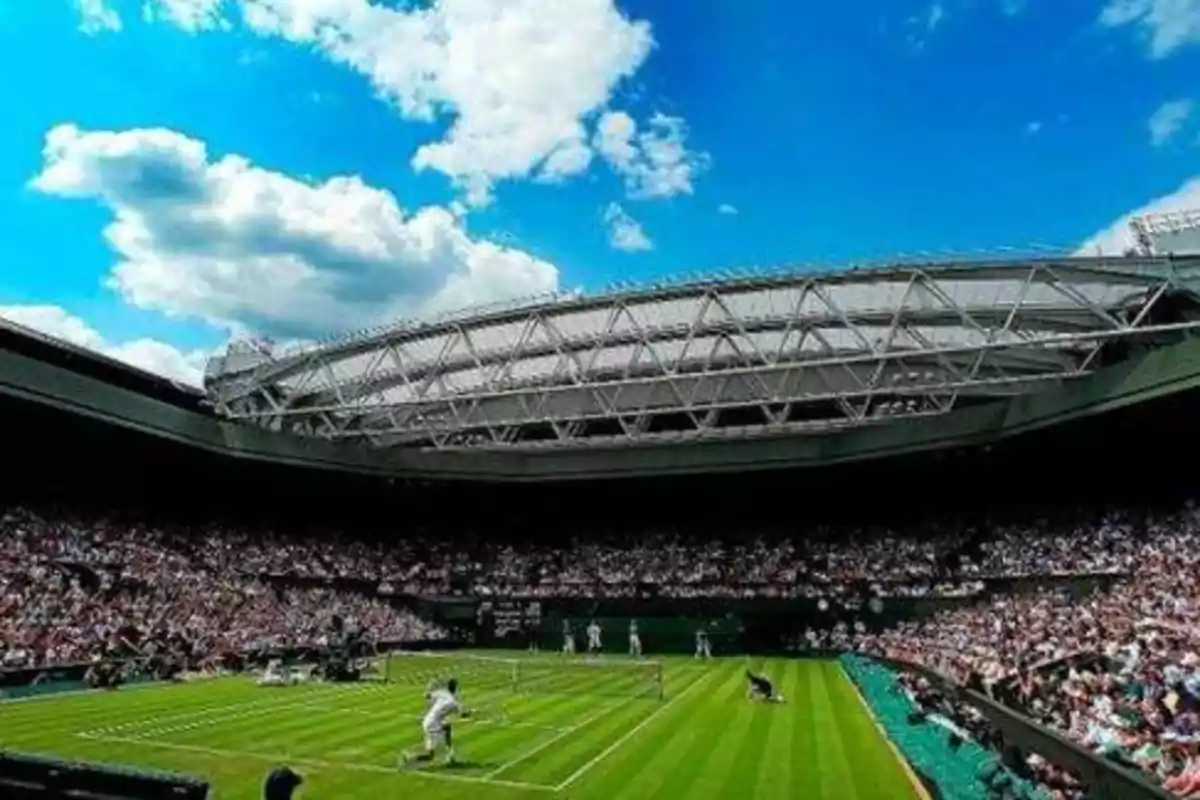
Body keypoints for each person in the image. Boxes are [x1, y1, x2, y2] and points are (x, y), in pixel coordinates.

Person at [401, 678, 469, 768]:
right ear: (455, 688)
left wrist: (429, 688)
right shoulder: (453, 702)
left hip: (428, 720)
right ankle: (410, 758)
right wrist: (470, 712)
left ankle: (450, 755)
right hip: (433, 725)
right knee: (430, 756)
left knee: (447, 727)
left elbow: (426, 695)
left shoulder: (442, 693)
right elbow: (462, 714)